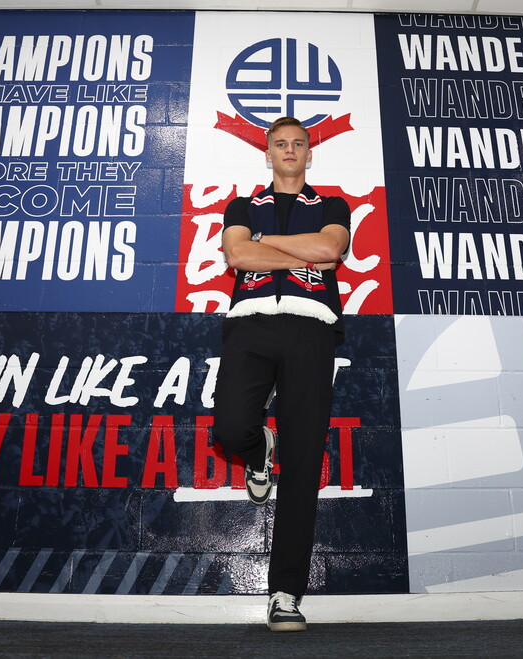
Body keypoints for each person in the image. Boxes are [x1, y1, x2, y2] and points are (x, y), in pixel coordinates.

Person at [213, 116, 351, 632]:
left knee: (302, 461)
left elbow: (329, 249)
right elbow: (236, 253)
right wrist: (299, 247)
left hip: (312, 328)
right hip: (250, 324)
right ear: (267, 153)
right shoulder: (242, 206)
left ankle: (285, 592)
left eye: (299, 144)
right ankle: (256, 453)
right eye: (280, 144)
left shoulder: (334, 206)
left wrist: (268, 245)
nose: (290, 150)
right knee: (229, 426)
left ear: (309, 155)